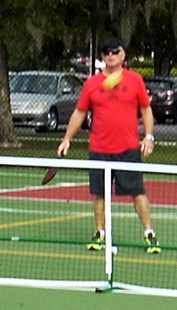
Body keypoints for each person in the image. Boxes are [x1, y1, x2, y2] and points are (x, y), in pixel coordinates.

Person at [57, 36, 160, 254]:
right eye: (106, 52)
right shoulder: (92, 83)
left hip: (128, 149)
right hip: (99, 149)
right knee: (100, 194)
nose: (110, 55)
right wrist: (67, 138)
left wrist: (149, 136)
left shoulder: (135, 80)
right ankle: (99, 233)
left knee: (137, 192)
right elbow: (79, 112)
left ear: (123, 54)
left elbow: (146, 109)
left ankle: (150, 234)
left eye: (115, 51)